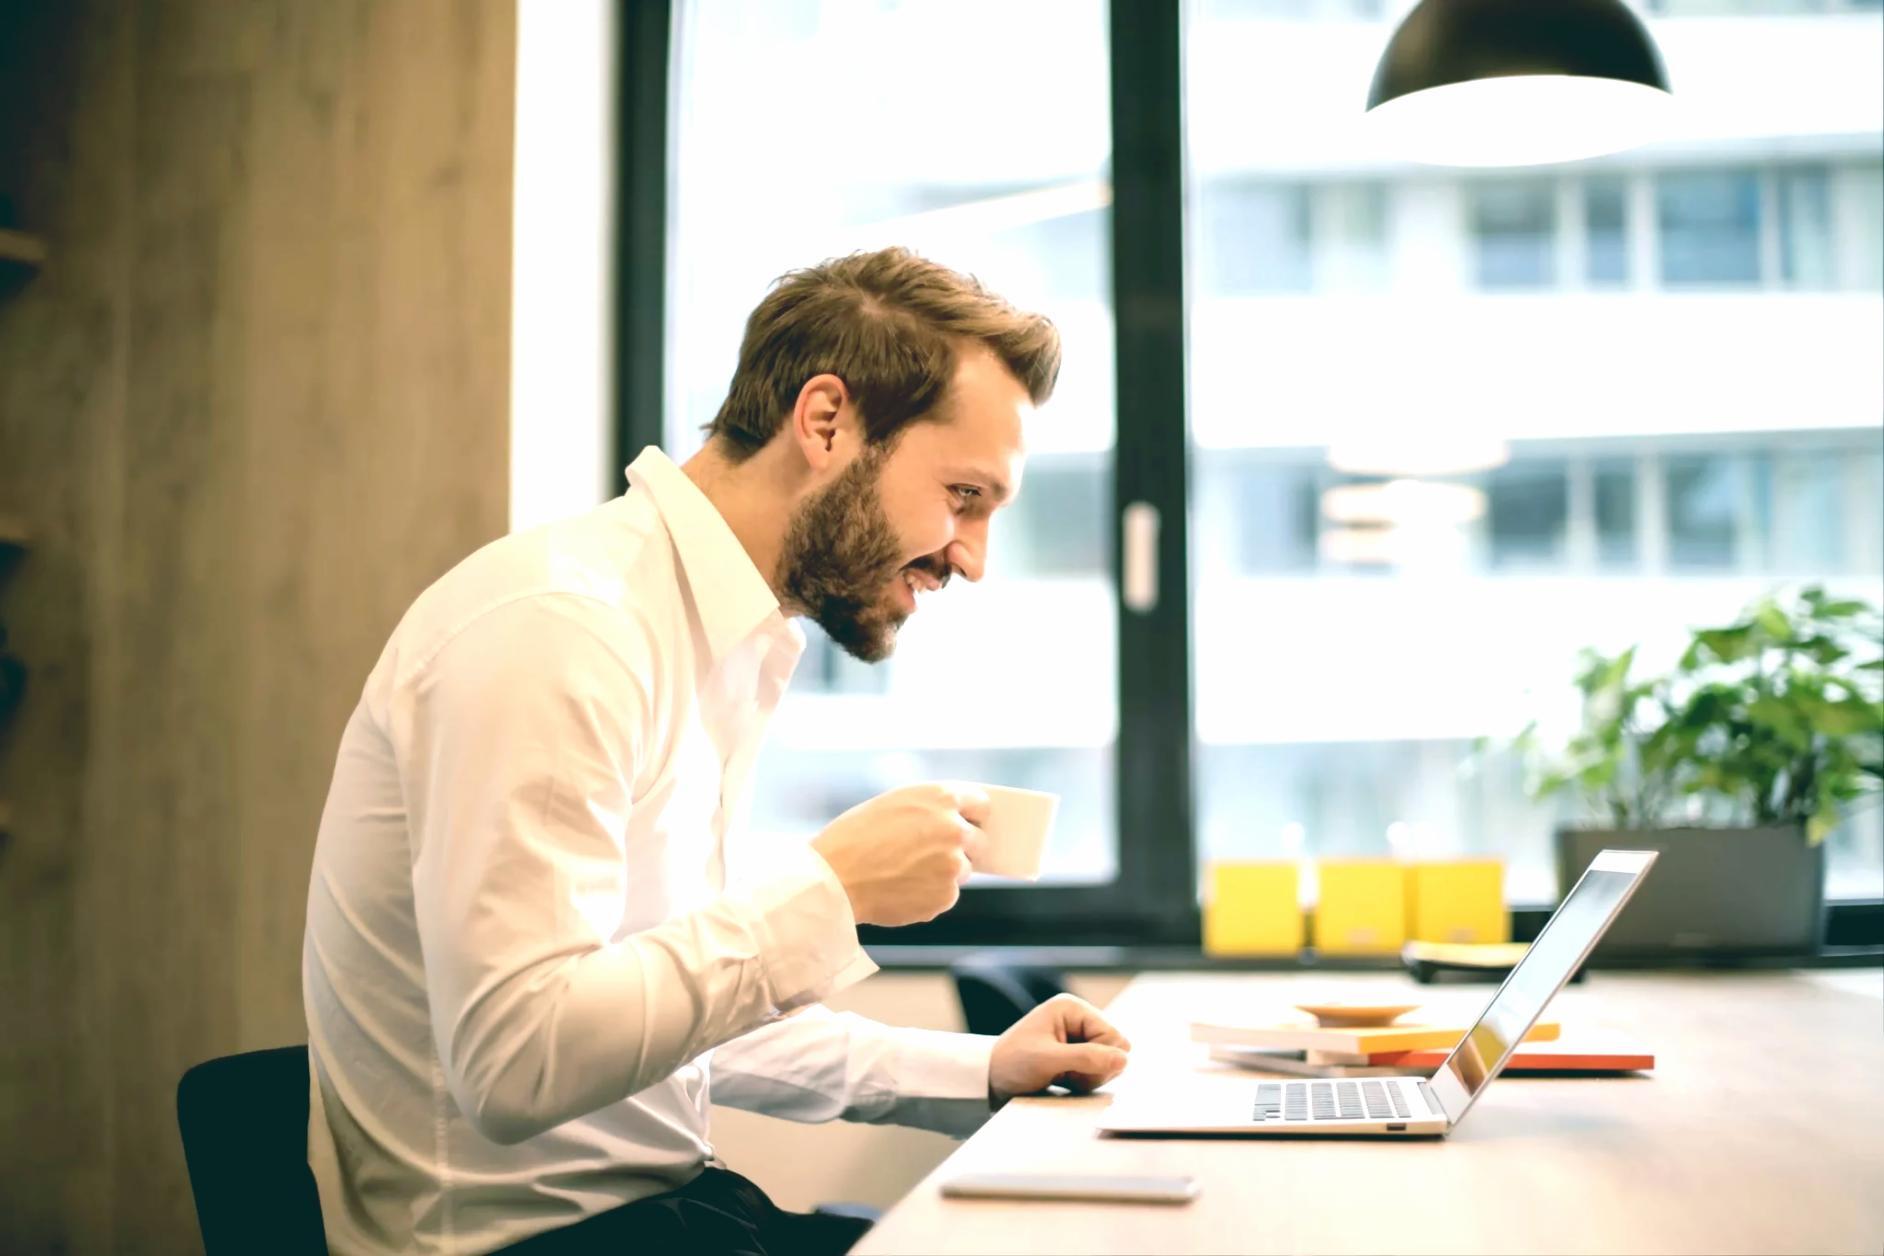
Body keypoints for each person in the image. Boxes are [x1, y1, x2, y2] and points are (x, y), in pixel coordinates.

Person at [303, 247, 1133, 1255]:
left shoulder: (725, 639)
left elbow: (669, 1023)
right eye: (963, 495)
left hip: (668, 1216)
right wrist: (827, 890)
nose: (973, 556)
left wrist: (980, 1069)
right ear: (825, 422)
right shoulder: (564, 628)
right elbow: (518, 1060)